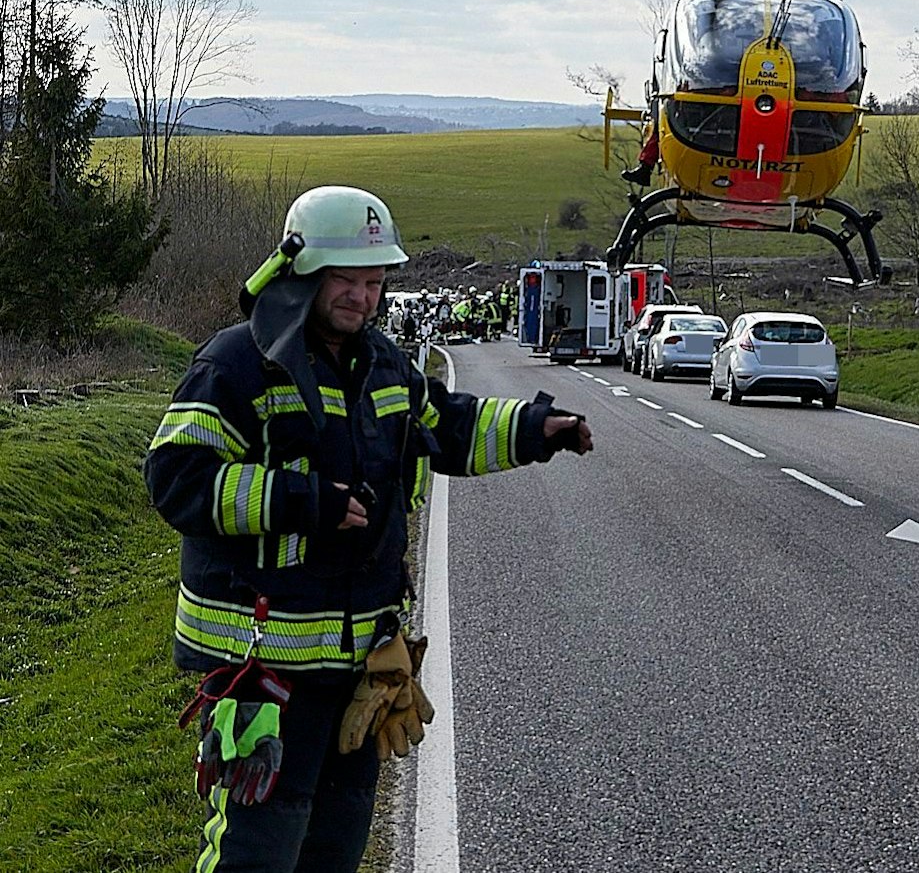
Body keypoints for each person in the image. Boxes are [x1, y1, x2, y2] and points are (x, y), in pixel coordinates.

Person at [147, 185, 594, 873]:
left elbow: (450, 428)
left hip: (357, 668)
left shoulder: (383, 364)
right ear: (302, 273)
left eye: (376, 281)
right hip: (263, 671)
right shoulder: (235, 366)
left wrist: (538, 429)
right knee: (255, 853)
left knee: (336, 848)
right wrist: (298, 500)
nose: (364, 296)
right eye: (347, 280)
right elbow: (177, 479)